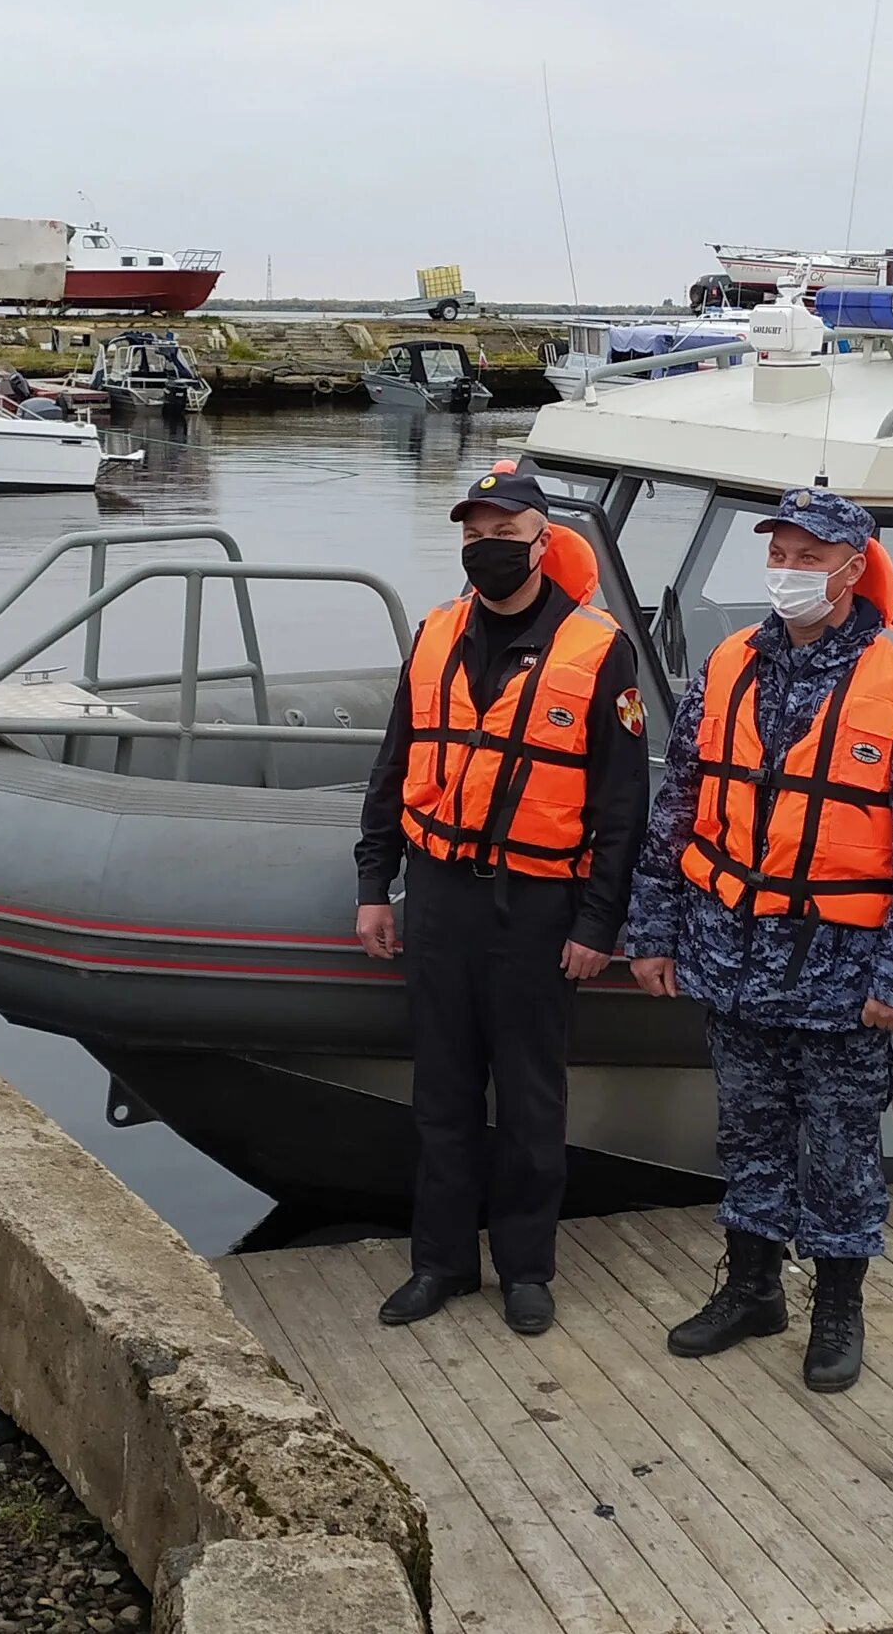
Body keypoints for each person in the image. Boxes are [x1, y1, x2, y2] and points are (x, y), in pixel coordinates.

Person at [623, 487, 893, 1394]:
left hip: (842, 970)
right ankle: (750, 1288)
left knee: (841, 1146)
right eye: (779, 551)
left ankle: (837, 1308)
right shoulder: (731, 662)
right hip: (732, 955)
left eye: (810, 556)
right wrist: (653, 927)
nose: (789, 569)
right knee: (747, 1135)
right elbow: (680, 810)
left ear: (854, 567)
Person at [354, 464, 648, 1334]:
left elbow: (621, 805)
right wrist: (376, 885)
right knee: (440, 1094)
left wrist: (599, 921)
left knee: (529, 1098)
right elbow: (394, 764)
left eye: (505, 535)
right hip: (440, 895)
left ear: (542, 544)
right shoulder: (436, 633)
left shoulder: (598, 649)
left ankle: (527, 1268)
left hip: (536, 907)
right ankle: (440, 1261)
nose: (488, 549)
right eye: (475, 535)